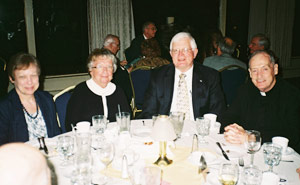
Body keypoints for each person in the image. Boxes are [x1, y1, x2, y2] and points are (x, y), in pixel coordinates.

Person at [221, 50, 300, 153]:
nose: (259, 76)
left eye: (265, 69)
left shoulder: (292, 95)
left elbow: (292, 137)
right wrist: (233, 130)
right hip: (244, 149)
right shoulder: (245, 90)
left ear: (275, 69)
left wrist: (252, 138)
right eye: (254, 71)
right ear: (249, 73)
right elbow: (229, 116)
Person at [140, 32, 226, 120]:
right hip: (167, 128)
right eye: (176, 50)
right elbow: (148, 113)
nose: (180, 55)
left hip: (197, 129)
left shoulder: (210, 77)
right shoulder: (158, 75)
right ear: (171, 54)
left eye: (185, 50)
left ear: (194, 53)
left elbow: (218, 113)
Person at [0, 53, 61, 145]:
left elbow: (56, 135)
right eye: (22, 77)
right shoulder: (4, 107)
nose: (29, 81)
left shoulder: (46, 98)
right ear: (12, 79)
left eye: (33, 75)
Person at [65, 48, 131, 131]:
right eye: (100, 66)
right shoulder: (80, 91)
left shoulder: (118, 91)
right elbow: (70, 126)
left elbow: (126, 120)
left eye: (109, 66)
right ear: (90, 70)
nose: (105, 71)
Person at [102, 34, 133, 105]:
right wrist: (127, 71)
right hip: (115, 97)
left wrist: (119, 64)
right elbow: (115, 76)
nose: (118, 48)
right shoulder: (105, 56)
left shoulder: (105, 54)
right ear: (110, 45)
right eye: (117, 45)